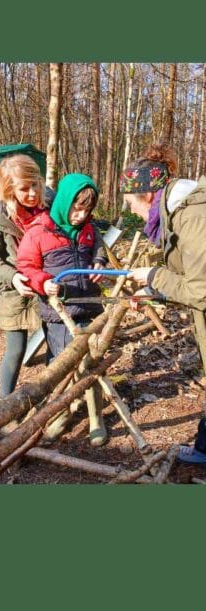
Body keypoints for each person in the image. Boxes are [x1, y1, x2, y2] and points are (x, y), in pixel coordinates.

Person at [124, 144, 206, 465]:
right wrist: (152, 290)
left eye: (130, 203)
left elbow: (200, 288)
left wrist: (154, 275)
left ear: (147, 195)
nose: (130, 211)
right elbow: (189, 271)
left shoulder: (193, 216)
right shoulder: (178, 213)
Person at [16, 173, 108, 445]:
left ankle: (95, 418)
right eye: (77, 208)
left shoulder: (90, 229)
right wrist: (43, 284)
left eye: (87, 210)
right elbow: (27, 267)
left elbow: (99, 248)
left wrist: (100, 262)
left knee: (91, 363)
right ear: (65, 202)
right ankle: (61, 414)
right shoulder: (39, 232)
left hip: (90, 307)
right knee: (61, 365)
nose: (81, 215)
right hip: (60, 314)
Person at [0, 154, 47, 398]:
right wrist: (14, 277)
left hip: (46, 284)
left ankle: (55, 397)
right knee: (16, 350)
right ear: (8, 189)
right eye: (24, 189)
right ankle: (4, 406)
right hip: (13, 289)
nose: (33, 193)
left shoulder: (48, 202)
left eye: (35, 184)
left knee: (56, 342)